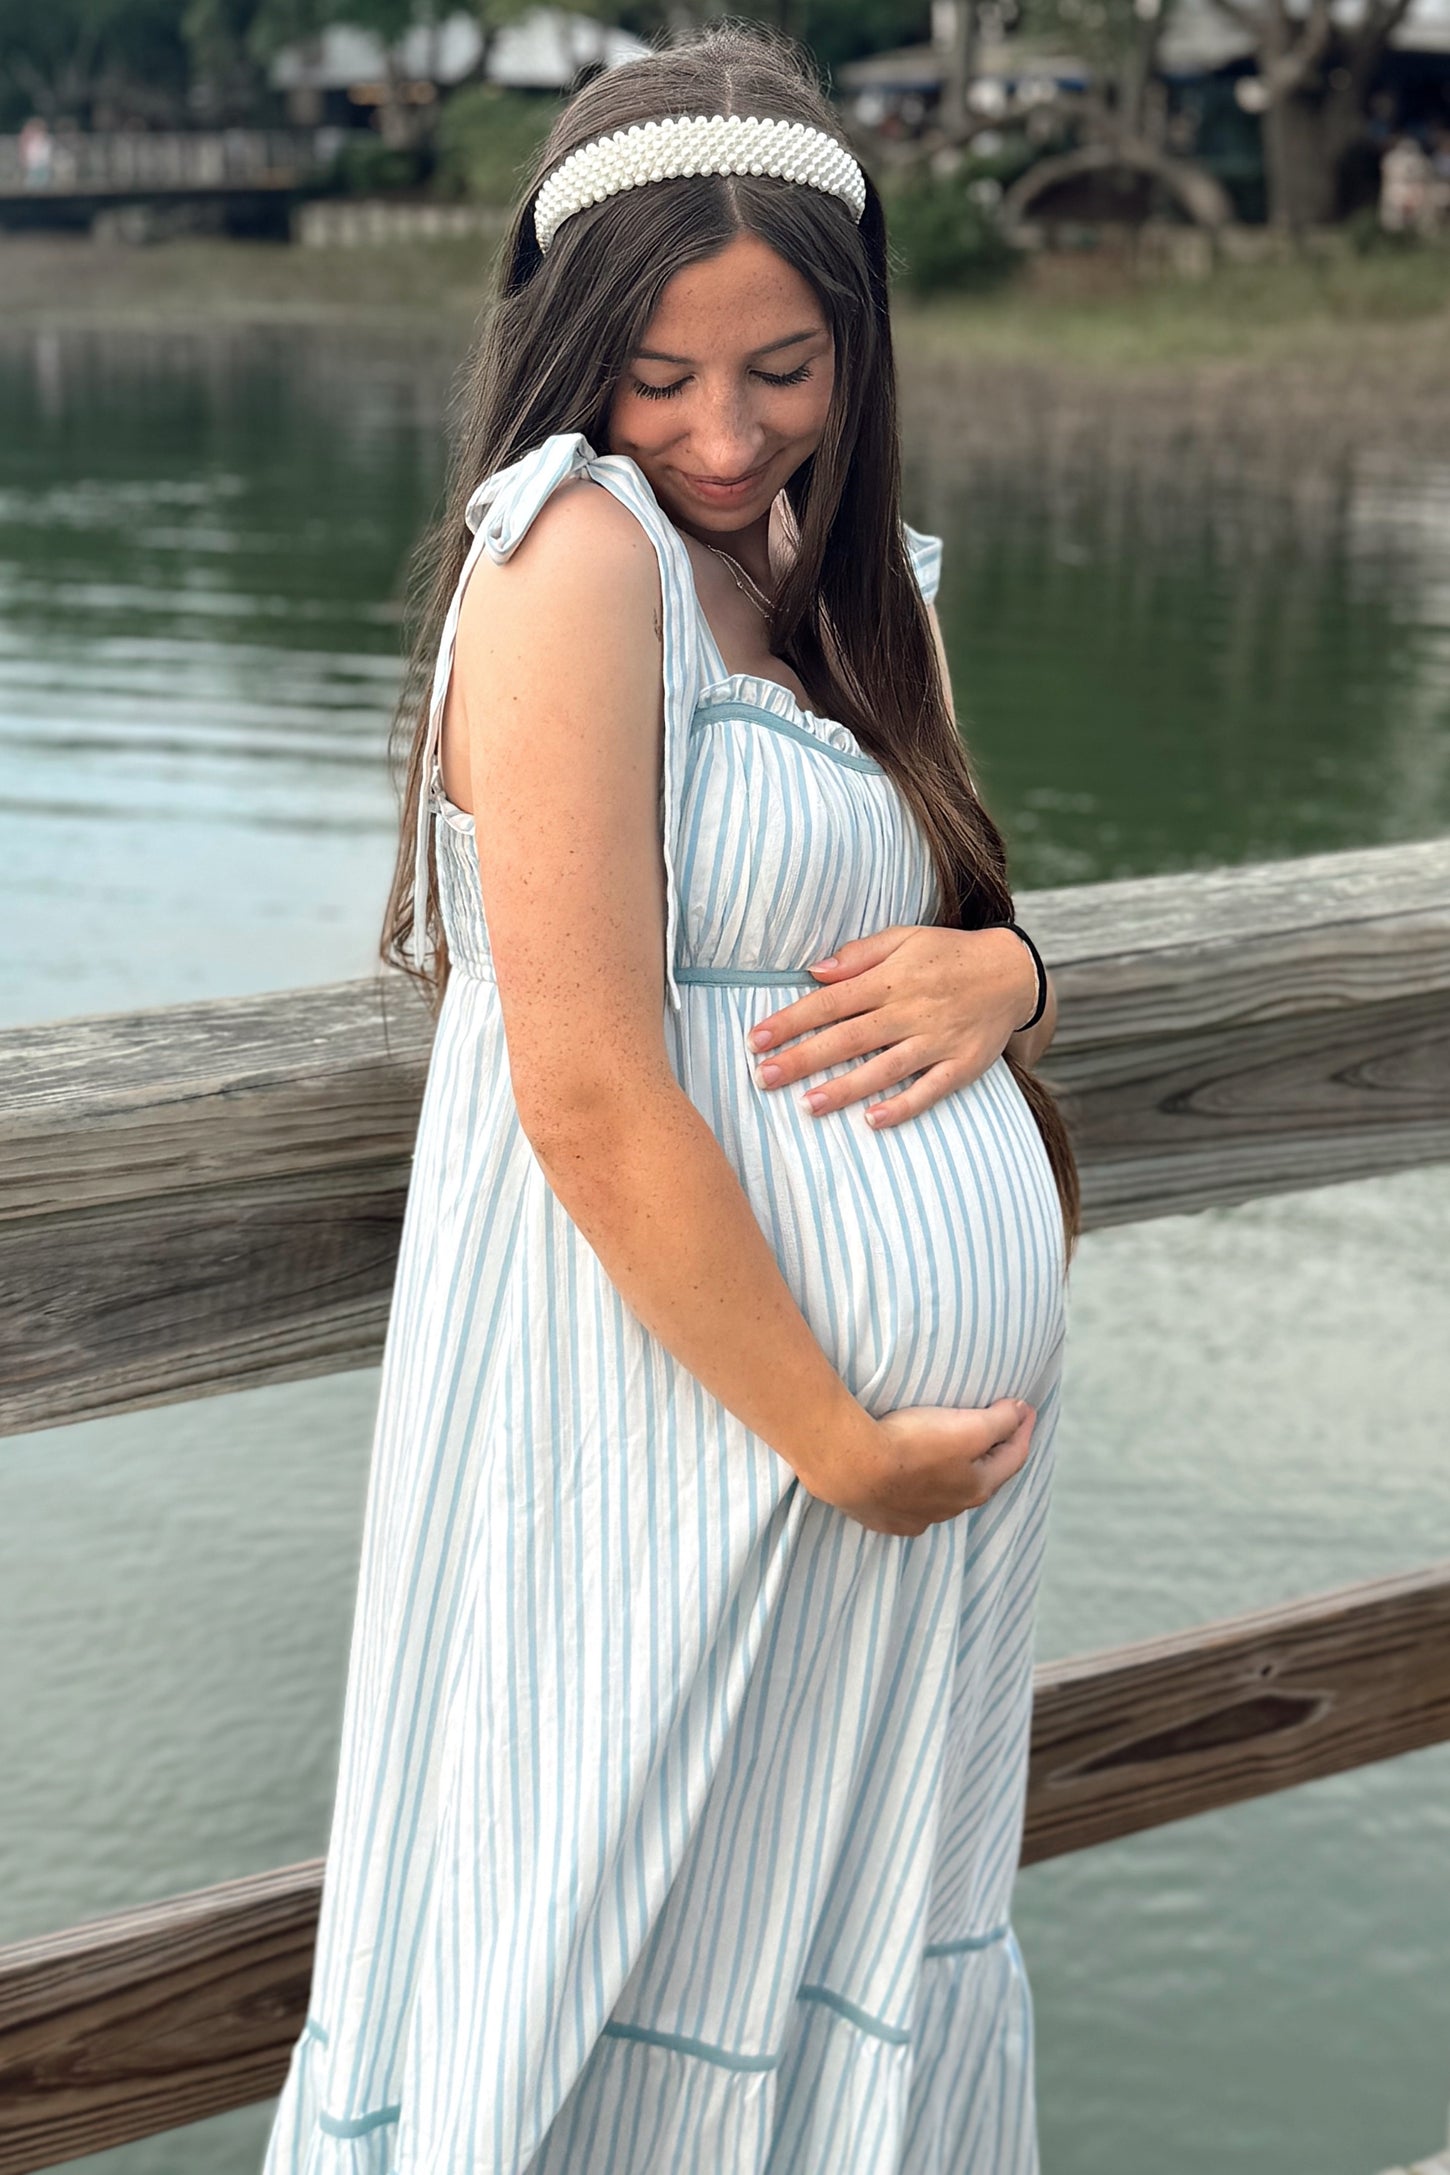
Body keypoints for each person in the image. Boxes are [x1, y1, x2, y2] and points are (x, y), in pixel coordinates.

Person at [263, 25, 1076, 2174]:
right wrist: (836, 1438)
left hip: (856, 1487)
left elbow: (941, 916)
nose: (724, 432)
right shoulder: (577, 555)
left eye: (782, 369)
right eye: (662, 376)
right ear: (573, 357)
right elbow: (594, 1090)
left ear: (854, 345)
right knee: (592, 1956)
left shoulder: (839, 579)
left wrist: (1013, 971)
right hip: (681, 1427)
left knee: (805, 1948)